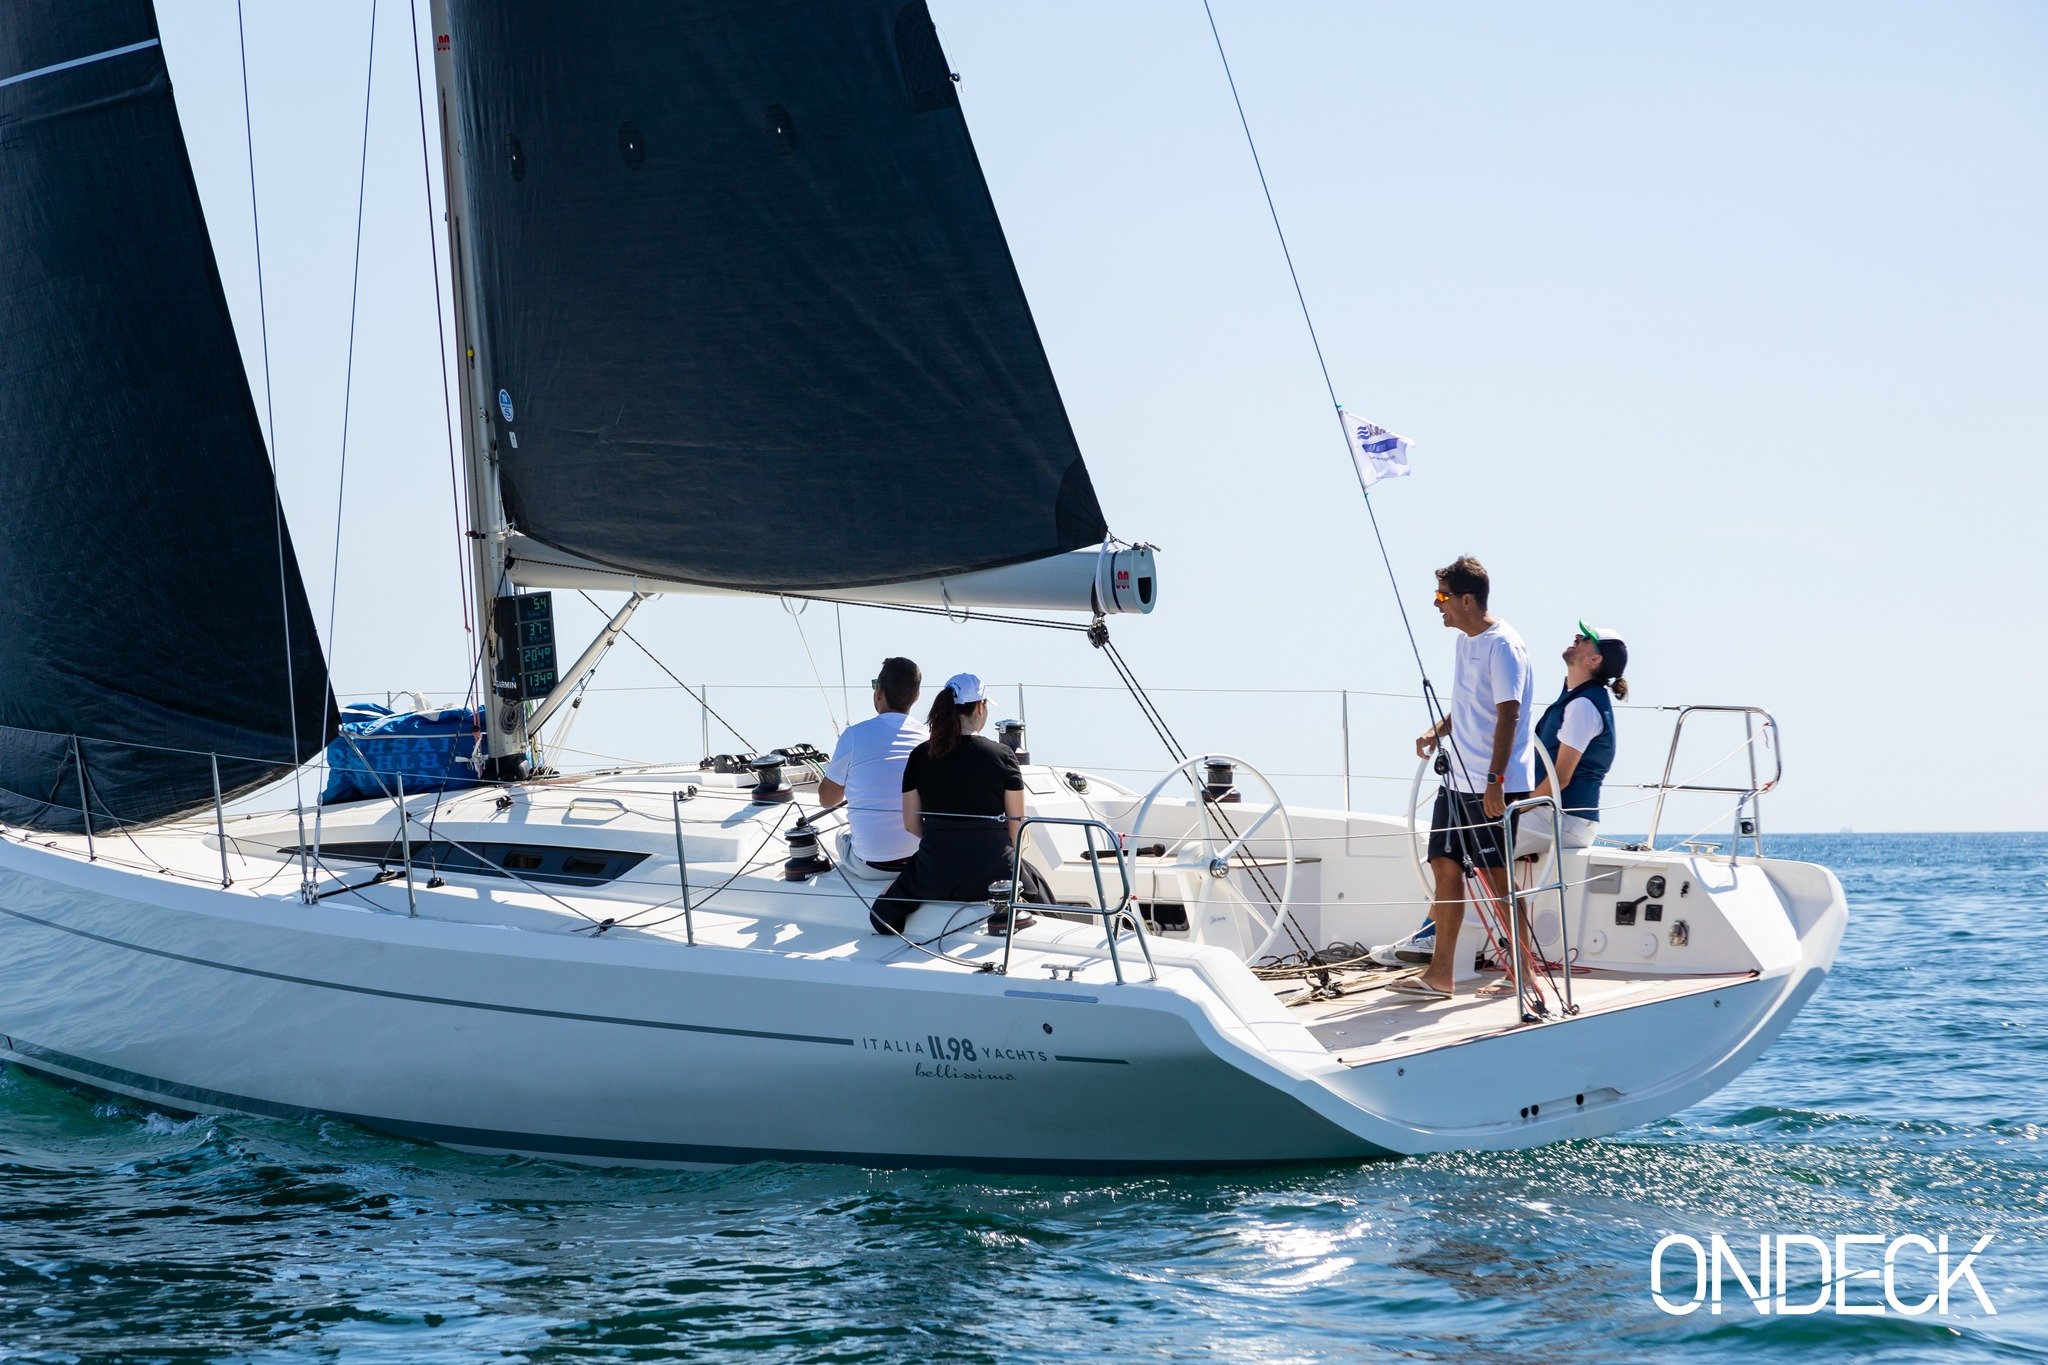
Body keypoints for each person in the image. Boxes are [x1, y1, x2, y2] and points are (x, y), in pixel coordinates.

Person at [1390, 555, 1536, 1001]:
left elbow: (1508, 714)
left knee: (1496, 881)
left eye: (1442, 597)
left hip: (1493, 786)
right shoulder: (1465, 643)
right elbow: (1471, 701)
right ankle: (1440, 976)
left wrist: (1495, 780)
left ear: (1467, 600)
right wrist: (1437, 730)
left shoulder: (1503, 645)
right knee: (1444, 867)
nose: (1437, 606)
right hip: (1457, 782)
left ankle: (1524, 974)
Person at [870, 673, 1037, 937]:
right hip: (994, 870)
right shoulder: (1002, 755)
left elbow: (911, 824)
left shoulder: (920, 755)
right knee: (1042, 898)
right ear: (980, 707)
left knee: (881, 917)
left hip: (934, 871)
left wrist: (944, 840)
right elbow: (1018, 825)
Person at [1515, 622, 1630, 860]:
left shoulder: (1583, 706)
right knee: (1476, 840)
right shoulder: (1576, 698)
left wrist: (1516, 809)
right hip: (1553, 815)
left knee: (1477, 845)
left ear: (1594, 660)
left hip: (1565, 818)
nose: (1578, 636)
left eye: (1587, 638)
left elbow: (1561, 778)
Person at [818, 657, 924, 876]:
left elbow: (827, 800)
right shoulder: (928, 737)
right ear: (916, 697)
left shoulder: (854, 735)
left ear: (878, 693)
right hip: (919, 860)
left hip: (872, 866)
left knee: (840, 834)